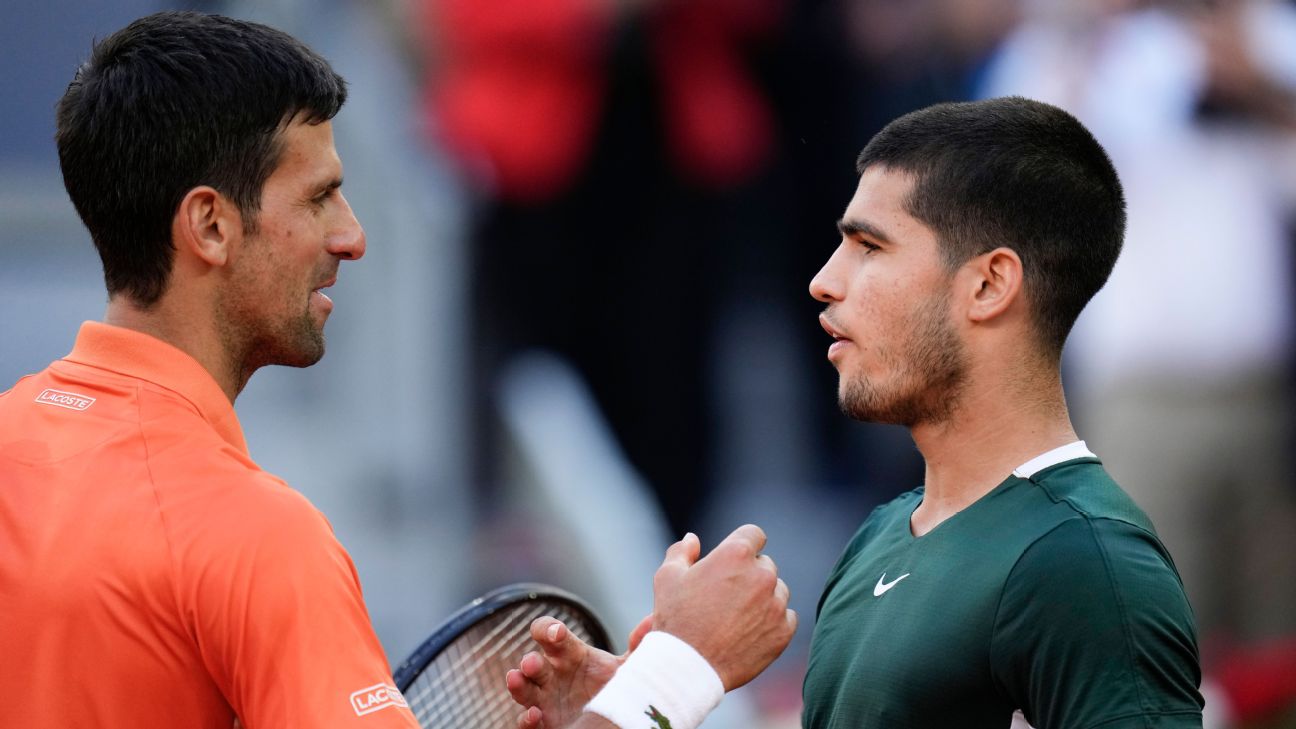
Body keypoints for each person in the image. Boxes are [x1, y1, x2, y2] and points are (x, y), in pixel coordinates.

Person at [0, 10, 795, 728]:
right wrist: (677, 671)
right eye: (319, 199)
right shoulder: (256, 539)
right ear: (210, 224)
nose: (353, 237)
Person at [506, 97, 1205, 728]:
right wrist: (648, 704)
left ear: (989, 284)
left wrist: (660, 691)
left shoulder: (1088, 562)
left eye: (870, 247)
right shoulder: (881, 535)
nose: (824, 280)